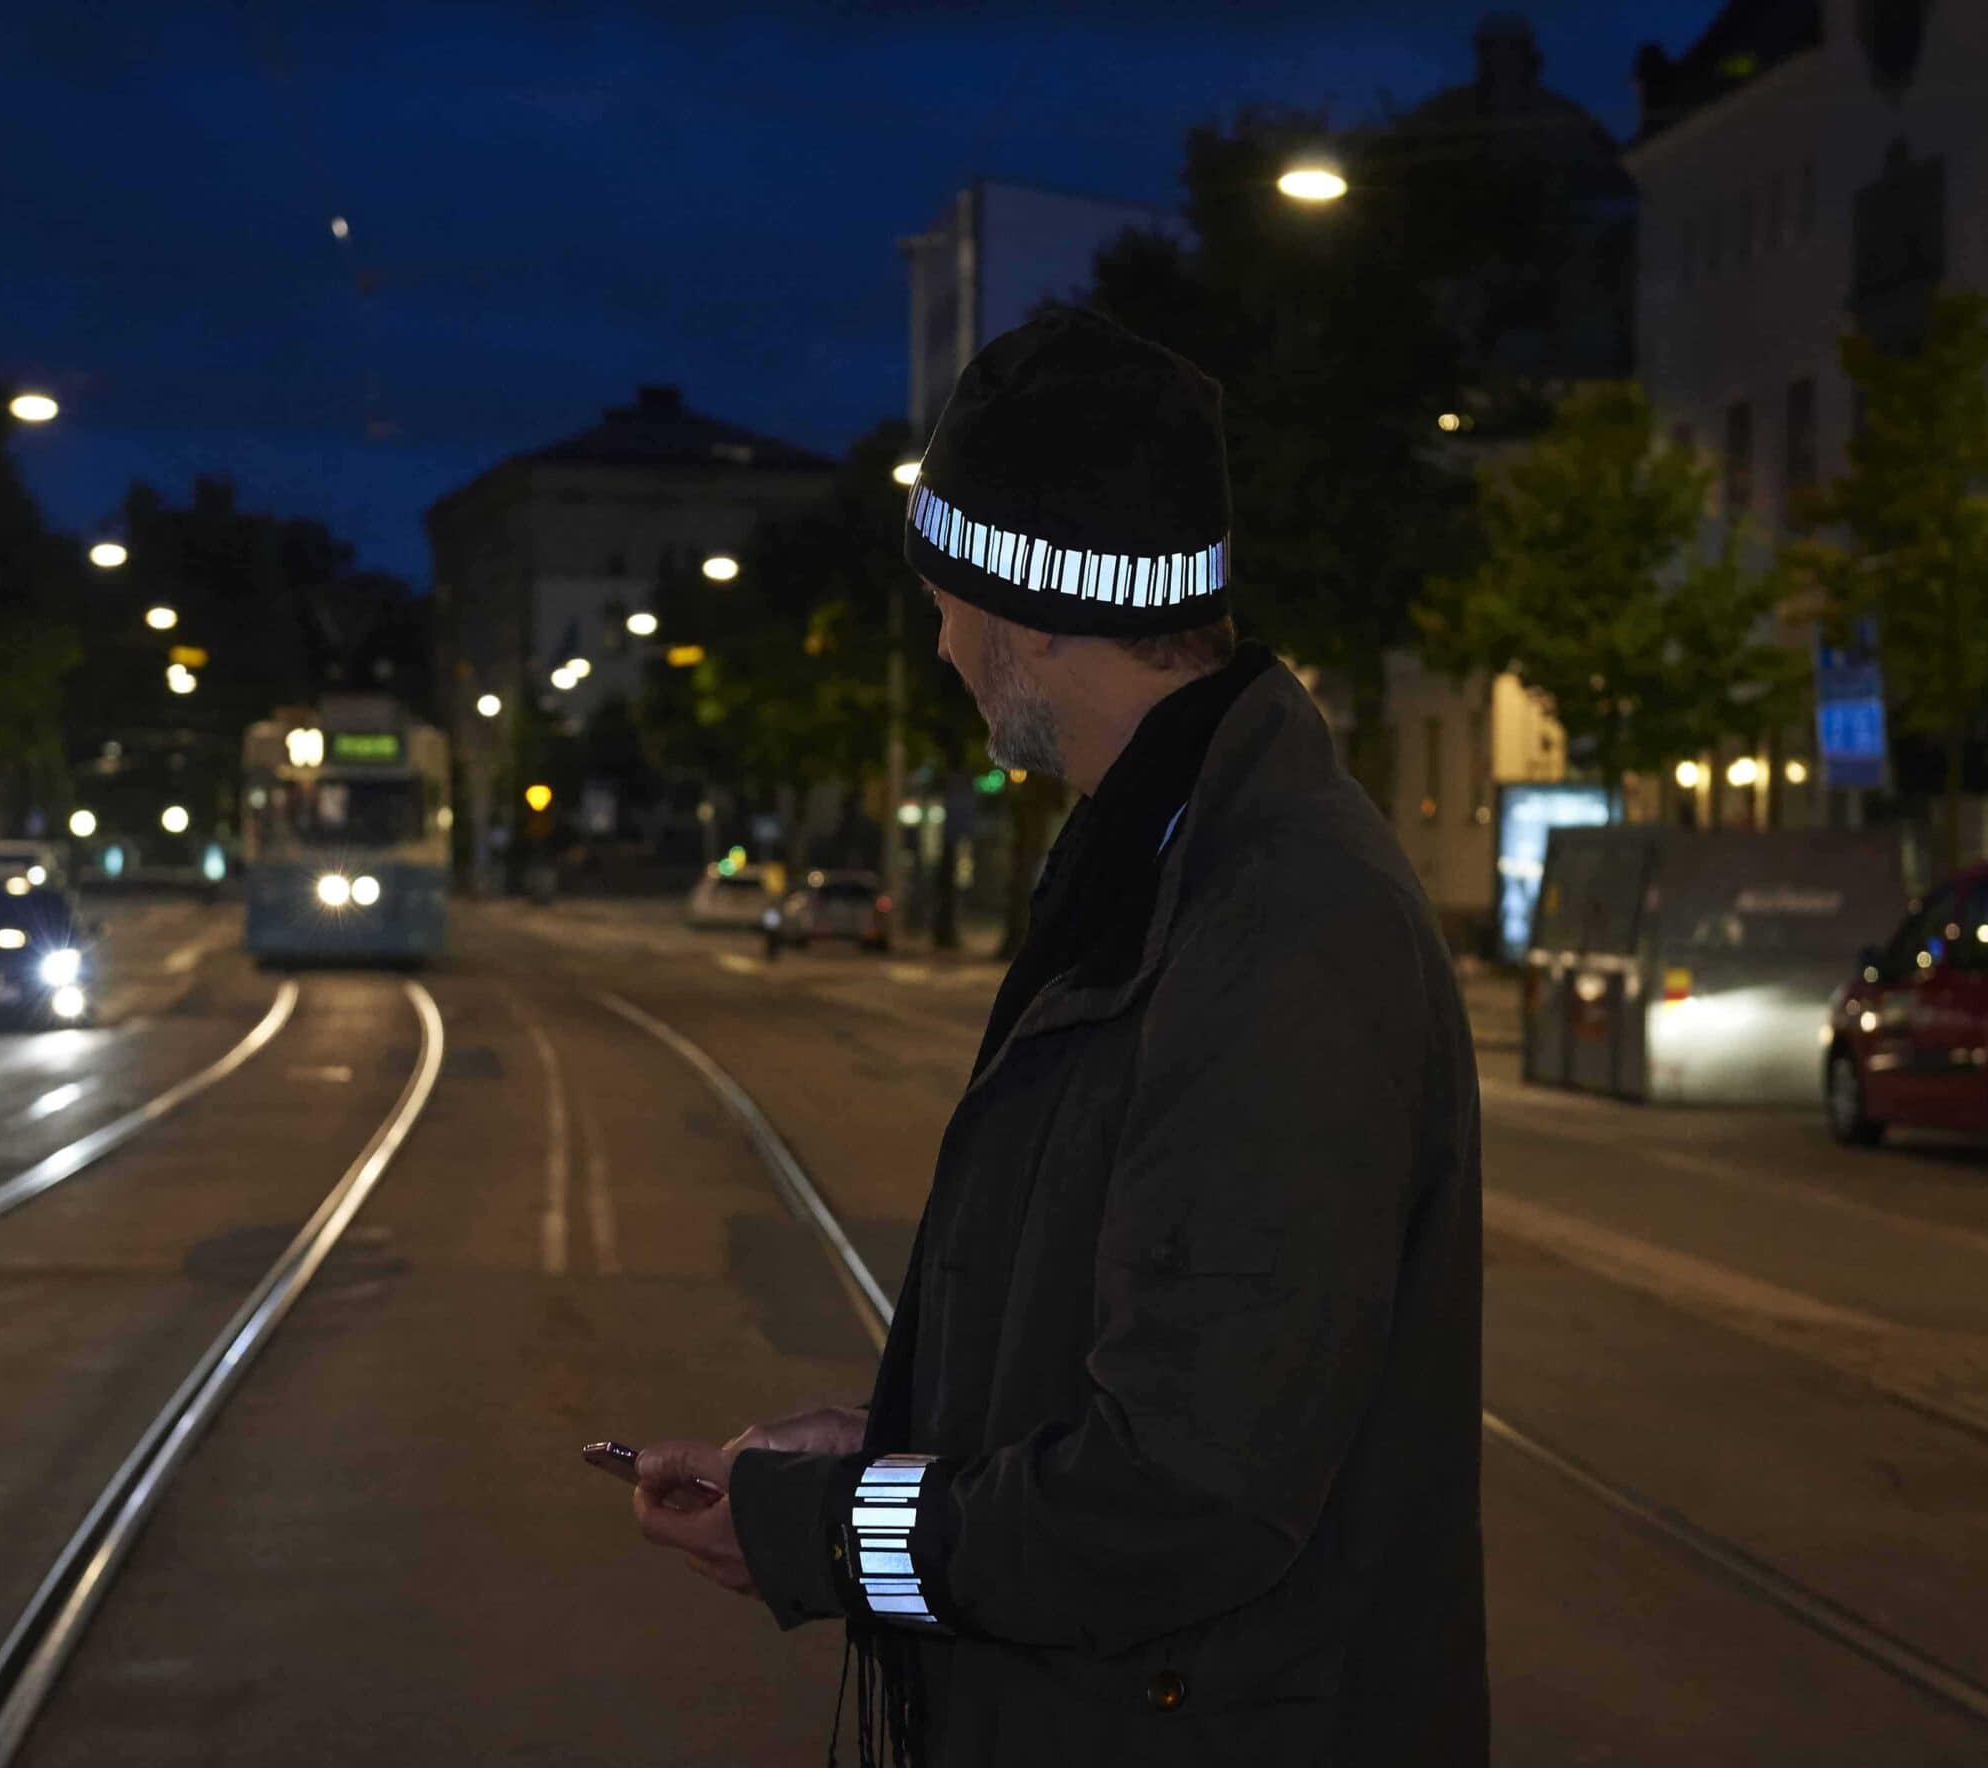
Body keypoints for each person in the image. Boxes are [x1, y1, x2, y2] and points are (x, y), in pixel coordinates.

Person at [627, 307, 1488, 1765]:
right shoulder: (1161, 861)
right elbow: (1122, 1374)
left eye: (949, 599)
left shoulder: (1270, 919)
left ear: (1027, 604)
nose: (944, 644)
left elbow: (1184, 1494)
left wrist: (846, 1538)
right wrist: (893, 1462)